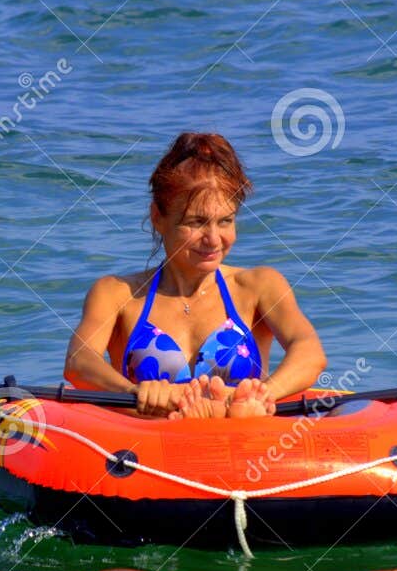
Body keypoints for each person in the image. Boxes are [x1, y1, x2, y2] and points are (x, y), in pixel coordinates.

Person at [63, 132, 326, 419]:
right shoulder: (117, 293)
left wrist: (261, 394)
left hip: (245, 443)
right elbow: (79, 361)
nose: (213, 239)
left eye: (225, 221)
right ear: (158, 218)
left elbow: (309, 352)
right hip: (150, 449)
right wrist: (134, 392)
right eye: (196, 222)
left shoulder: (258, 286)